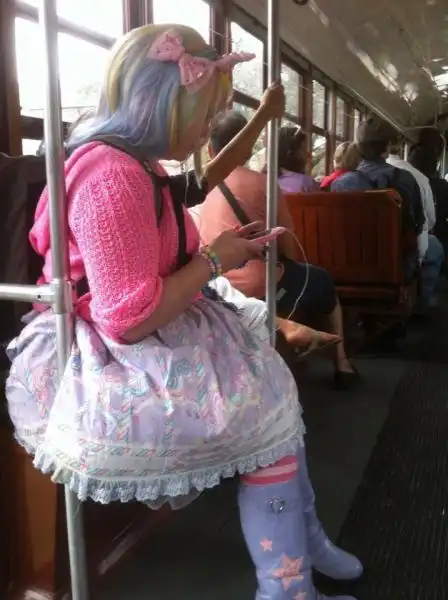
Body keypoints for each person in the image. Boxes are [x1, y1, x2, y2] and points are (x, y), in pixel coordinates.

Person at [5, 25, 361, 600]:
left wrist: (222, 245)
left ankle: (304, 543)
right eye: (204, 117)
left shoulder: (138, 166)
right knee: (270, 410)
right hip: (114, 359)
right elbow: (129, 318)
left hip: (154, 329)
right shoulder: (113, 177)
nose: (204, 132)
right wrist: (216, 261)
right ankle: (287, 584)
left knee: (276, 402)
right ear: (165, 106)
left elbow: (199, 186)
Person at [199, 111, 360, 390]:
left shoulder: (199, 187)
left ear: (210, 149)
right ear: (248, 148)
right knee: (320, 279)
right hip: (260, 284)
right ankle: (342, 362)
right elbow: (288, 245)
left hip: (216, 282)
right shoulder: (263, 184)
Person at [387, 138, 444, 313]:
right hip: (401, 252)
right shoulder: (417, 179)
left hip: (360, 255)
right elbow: (428, 221)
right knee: (436, 250)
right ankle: (419, 305)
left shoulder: (346, 180)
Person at [409, 145, 448, 259]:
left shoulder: (406, 184)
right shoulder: (443, 187)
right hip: (437, 237)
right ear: (435, 166)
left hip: (410, 239)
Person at [277, 126, 320, 193]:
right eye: (303, 149)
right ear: (292, 154)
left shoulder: (268, 182)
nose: (308, 155)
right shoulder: (307, 182)